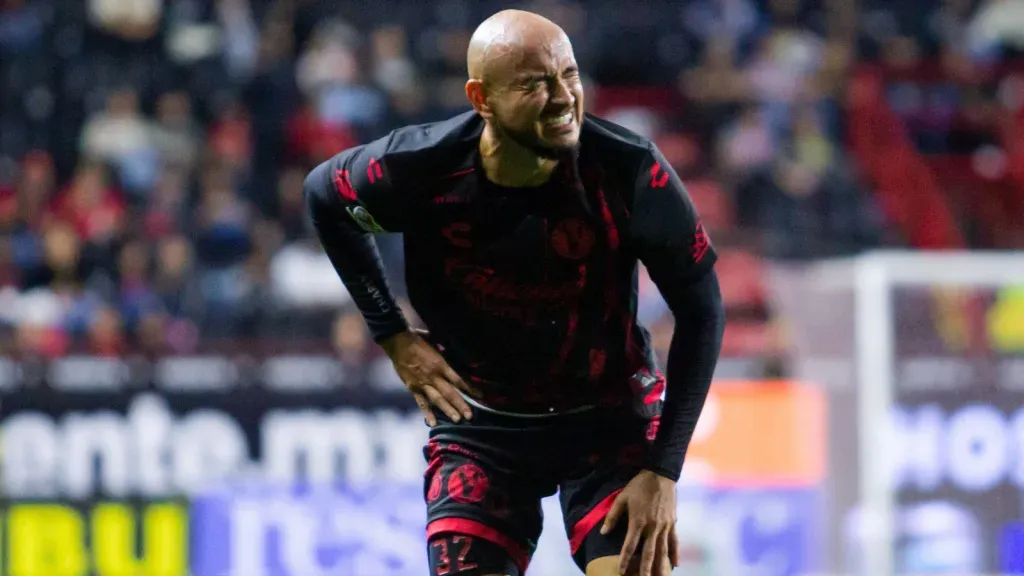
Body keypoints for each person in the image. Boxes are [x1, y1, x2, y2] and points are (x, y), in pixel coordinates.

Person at [304, 9, 725, 576]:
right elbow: (325, 200)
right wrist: (393, 335)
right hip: (482, 425)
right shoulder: (417, 169)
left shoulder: (631, 174)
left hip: (609, 419)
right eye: (533, 83)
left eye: (569, 74)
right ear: (481, 98)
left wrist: (665, 470)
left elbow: (702, 309)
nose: (562, 97)